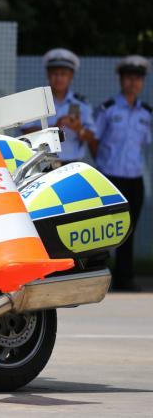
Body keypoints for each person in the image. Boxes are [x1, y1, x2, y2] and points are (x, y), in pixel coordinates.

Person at [91, 55, 151, 292]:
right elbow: (94, 140)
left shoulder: (146, 113)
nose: (133, 83)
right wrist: (103, 163)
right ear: (121, 80)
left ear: (142, 82)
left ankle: (125, 278)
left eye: (138, 79)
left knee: (129, 231)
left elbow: (144, 144)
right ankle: (98, 279)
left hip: (134, 178)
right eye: (129, 78)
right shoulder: (108, 109)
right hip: (111, 177)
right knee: (105, 230)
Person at [22, 48, 94, 163]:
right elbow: (26, 132)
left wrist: (78, 128)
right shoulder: (37, 101)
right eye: (55, 73)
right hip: (44, 162)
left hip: (73, 163)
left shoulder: (81, 103)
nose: (59, 78)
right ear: (48, 75)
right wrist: (54, 128)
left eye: (63, 74)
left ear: (71, 76)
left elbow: (91, 137)